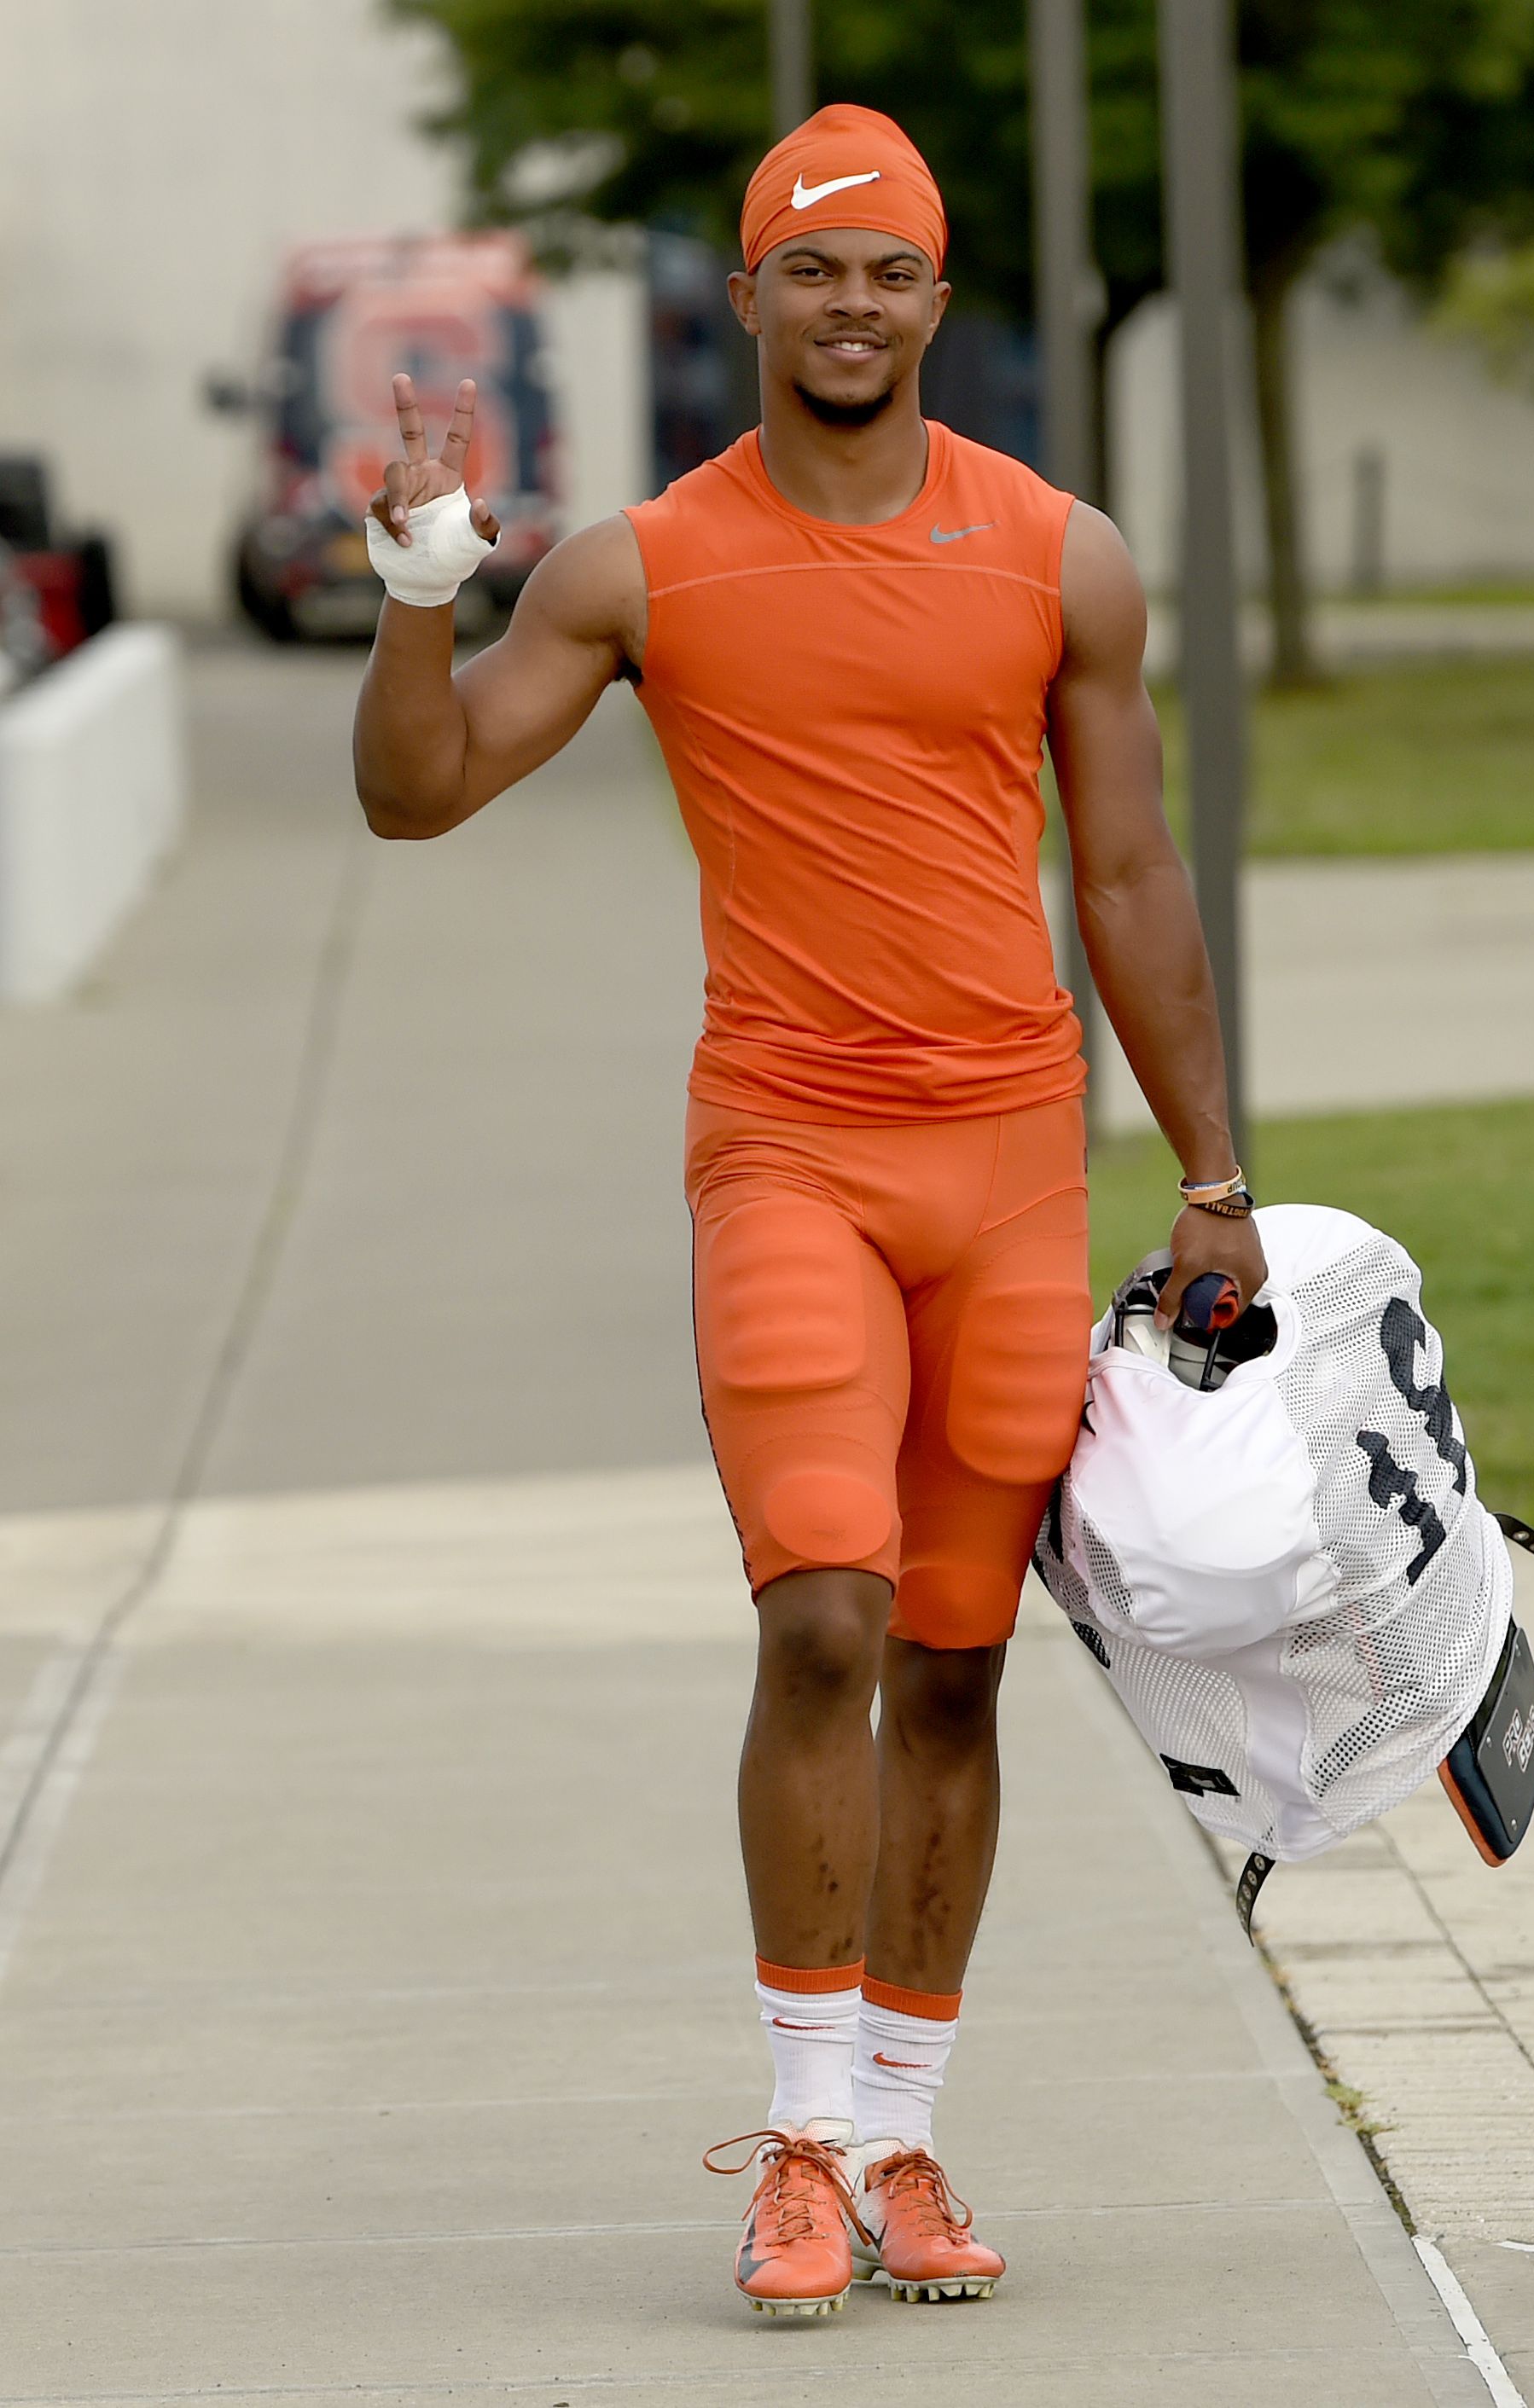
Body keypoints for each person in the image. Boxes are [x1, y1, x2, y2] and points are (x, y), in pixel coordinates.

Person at [352, 102, 1265, 2319]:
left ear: (938, 303)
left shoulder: (1059, 553)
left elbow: (1130, 875)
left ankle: (908, 2138)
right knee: (823, 1621)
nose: (850, 303)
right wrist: (415, 587)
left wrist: (1217, 1173)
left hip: (1012, 1170)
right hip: (788, 1153)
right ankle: (799, 2141)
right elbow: (421, 794)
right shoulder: (641, 566)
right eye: (810, 265)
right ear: (746, 294)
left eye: (890, 272)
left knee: (956, 1661)